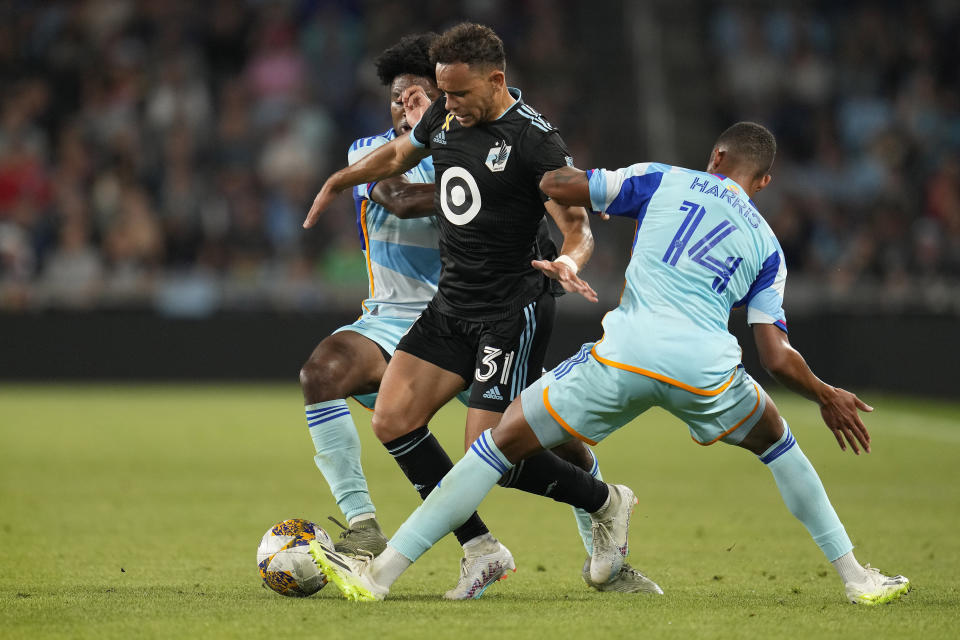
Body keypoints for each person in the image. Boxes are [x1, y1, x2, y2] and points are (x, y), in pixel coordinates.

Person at [309, 122, 911, 606]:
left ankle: (381, 574)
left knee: (491, 450)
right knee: (780, 446)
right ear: (764, 181)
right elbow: (776, 356)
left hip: (623, 355)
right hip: (707, 371)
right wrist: (826, 392)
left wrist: (506, 164)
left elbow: (566, 187)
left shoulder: (663, 179)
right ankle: (855, 575)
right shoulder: (768, 246)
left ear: (716, 156)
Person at [303, 22, 658, 598]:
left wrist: (571, 260)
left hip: (508, 312)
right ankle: (479, 549)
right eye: (442, 94)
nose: (449, 107)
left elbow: (575, 224)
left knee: (489, 454)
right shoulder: (445, 115)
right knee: (392, 419)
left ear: (496, 81)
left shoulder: (535, 142)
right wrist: (340, 180)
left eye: (459, 94)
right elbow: (396, 156)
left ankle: (605, 502)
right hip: (450, 305)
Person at [299, 33, 503, 598]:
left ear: (443, 98)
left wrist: (459, 161)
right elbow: (395, 196)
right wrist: (475, 188)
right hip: (389, 319)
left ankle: (602, 525)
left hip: (469, 315)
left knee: (544, 445)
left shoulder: (477, 149)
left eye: (416, 95)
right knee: (322, 373)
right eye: (397, 98)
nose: (403, 107)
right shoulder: (369, 147)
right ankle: (363, 528)